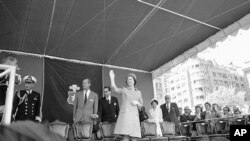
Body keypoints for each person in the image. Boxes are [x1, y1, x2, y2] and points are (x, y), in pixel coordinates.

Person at [109, 70, 143, 141]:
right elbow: (114, 88)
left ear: (134, 81)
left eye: (131, 79)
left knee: (134, 137)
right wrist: (112, 78)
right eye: (128, 79)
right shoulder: (124, 90)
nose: (129, 80)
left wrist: (137, 103)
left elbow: (141, 106)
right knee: (125, 137)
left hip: (134, 116)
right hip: (126, 115)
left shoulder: (138, 92)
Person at [0, 55, 21, 122]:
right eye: (15, 63)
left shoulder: (5, 76)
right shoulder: (2, 74)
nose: (17, 66)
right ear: (9, 64)